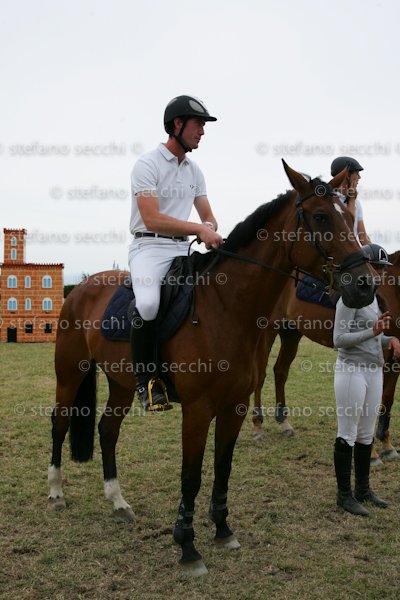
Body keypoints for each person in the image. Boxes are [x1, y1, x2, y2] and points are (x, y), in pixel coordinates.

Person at [128, 95, 223, 410]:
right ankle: (146, 382)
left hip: (182, 249)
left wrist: (208, 229)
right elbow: (151, 218)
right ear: (177, 124)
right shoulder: (147, 164)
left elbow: (208, 215)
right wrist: (198, 229)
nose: (203, 132)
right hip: (149, 247)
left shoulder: (195, 171)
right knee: (148, 304)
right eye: (198, 124)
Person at [332, 243, 400, 516]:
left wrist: (389, 339)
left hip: (373, 371)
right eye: (377, 269)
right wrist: (373, 332)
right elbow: (338, 340)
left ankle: (363, 489)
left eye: (383, 270)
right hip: (352, 371)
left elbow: (374, 338)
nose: (381, 274)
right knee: (347, 433)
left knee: (365, 434)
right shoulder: (348, 300)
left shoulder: (374, 300)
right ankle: (344, 495)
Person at [330, 156, 371, 245]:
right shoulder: (330, 200)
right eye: (357, 173)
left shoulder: (356, 203)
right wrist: (351, 200)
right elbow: (348, 229)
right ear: (347, 175)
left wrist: (375, 250)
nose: (359, 177)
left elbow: (363, 237)